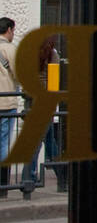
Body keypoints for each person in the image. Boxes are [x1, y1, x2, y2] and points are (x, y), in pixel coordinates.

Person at [24, 36, 64, 193]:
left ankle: (62, 175)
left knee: (48, 140)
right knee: (38, 141)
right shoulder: (53, 55)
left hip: (32, 101)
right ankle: (29, 177)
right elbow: (53, 83)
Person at [0, 17, 17, 199]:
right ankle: (3, 184)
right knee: (3, 142)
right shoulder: (10, 49)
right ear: (9, 30)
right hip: (6, 103)